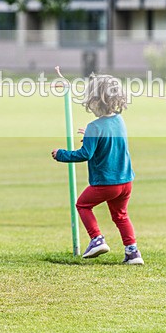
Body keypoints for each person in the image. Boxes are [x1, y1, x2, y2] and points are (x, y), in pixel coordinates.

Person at [51, 74, 143, 265]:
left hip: (106, 182)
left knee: (82, 205)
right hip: (126, 181)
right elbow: (107, 139)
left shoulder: (94, 126)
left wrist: (61, 154)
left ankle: (96, 239)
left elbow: (85, 154)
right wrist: (90, 136)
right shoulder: (119, 121)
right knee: (121, 216)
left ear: (95, 101)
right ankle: (133, 252)